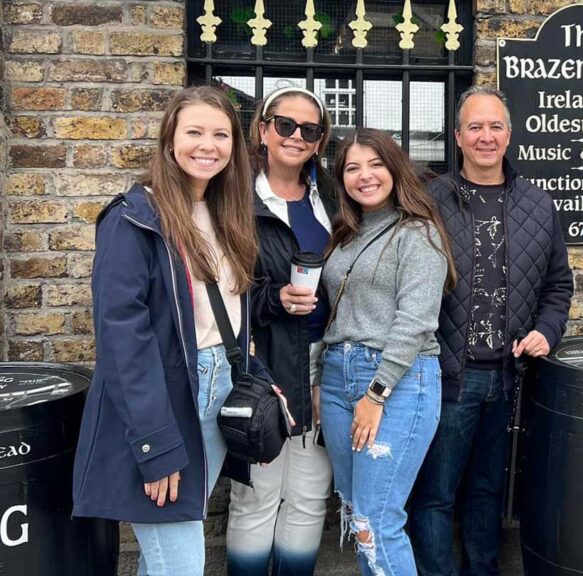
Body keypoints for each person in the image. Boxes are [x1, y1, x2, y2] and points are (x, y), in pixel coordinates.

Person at [72, 86, 262, 575]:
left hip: (217, 388)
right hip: (164, 401)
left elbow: (228, 314)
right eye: (194, 131)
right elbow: (122, 340)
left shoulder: (224, 214)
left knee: (166, 558)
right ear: (169, 141)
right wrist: (155, 445)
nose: (208, 144)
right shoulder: (133, 219)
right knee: (178, 563)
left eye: (221, 134)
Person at [408, 86, 574, 576]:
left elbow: (557, 285)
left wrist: (547, 329)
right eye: (475, 127)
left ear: (509, 134)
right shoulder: (427, 201)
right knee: (435, 494)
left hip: (509, 379)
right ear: (458, 137)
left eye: (495, 126)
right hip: (443, 377)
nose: (486, 136)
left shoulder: (537, 205)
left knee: (489, 491)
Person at [319, 127, 457, 576]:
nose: (365, 176)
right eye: (353, 168)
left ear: (395, 169)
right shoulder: (347, 234)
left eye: (376, 164)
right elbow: (335, 315)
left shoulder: (417, 233)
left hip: (395, 381)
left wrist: (375, 394)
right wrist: (321, 377)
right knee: (355, 508)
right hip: (339, 377)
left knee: (375, 520)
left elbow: (416, 321)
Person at [226, 87, 336, 576]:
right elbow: (215, 290)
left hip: (325, 362)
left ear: (319, 141)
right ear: (264, 128)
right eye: (285, 124)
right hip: (263, 358)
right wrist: (273, 298)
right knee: (257, 495)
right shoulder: (234, 196)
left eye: (309, 130)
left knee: (311, 496)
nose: (296, 136)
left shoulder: (333, 195)